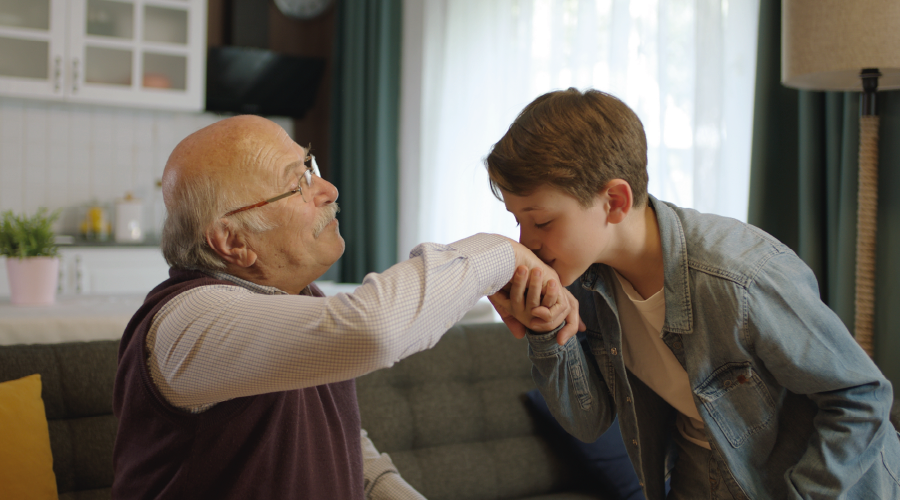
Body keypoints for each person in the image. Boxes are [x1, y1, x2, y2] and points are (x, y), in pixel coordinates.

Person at [111, 115, 578, 499]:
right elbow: (374, 329)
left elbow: (338, 449)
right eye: (298, 185)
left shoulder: (299, 301)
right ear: (233, 242)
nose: (329, 189)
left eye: (310, 167)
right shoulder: (188, 324)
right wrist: (502, 253)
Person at [486, 88, 900, 499]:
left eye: (541, 222)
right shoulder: (585, 282)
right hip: (700, 476)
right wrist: (547, 332)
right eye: (518, 221)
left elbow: (862, 397)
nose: (527, 242)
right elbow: (587, 421)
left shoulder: (739, 278)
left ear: (614, 201)